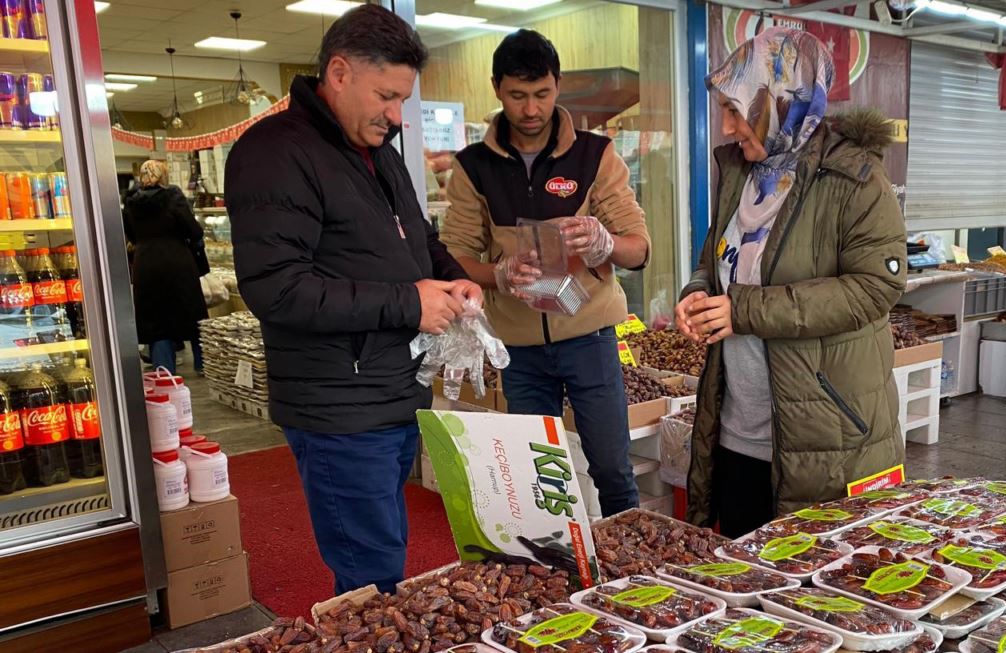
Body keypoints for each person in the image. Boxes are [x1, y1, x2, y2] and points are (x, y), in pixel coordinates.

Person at [225, 5, 481, 594]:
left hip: (392, 388)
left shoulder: (376, 151)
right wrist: (408, 303)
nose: (396, 116)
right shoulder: (274, 153)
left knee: (385, 551)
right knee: (370, 573)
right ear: (338, 74)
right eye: (386, 96)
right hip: (337, 406)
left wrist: (453, 276)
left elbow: (420, 237)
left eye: (403, 101)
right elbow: (277, 289)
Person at [675, 27, 907, 537]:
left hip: (826, 432)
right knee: (743, 587)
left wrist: (744, 311)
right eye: (725, 110)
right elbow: (717, 256)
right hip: (739, 428)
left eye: (737, 110)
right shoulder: (739, 173)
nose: (727, 126)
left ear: (782, 102)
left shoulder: (856, 181)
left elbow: (875, 288)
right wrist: (696, 291)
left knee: (816, 593)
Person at [440, 29, 649, 517]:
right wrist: (500, 273)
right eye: (517, 96)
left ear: (557, 86)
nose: (531, 109)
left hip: (589, 336)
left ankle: (629, 573)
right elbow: (453, 260)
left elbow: (639, 249)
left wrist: (605, 242)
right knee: (538, 473)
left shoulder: (596, 155)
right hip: (520, 351)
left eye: (542, 94)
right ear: (496, 88)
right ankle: (557, 566)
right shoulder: (474, 168)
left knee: (613, 469)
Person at [122, 160, 208, 375]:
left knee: (155, 320)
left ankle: (164, 370)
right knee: (192, 313)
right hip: (177, 262)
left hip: (146, 266)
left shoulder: (131, 202)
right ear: (162, 175)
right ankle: (204, 363)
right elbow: (194, 230)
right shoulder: (173, 196)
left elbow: (131, 234)